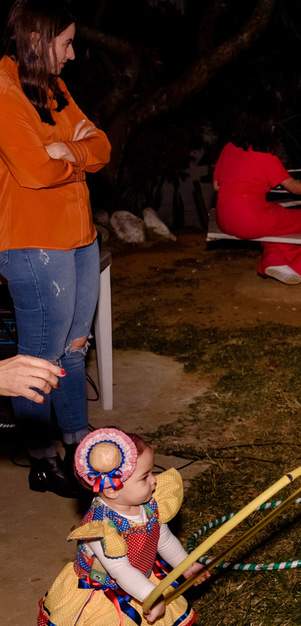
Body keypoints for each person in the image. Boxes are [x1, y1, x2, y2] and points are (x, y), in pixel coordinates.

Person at [0, 0, 109, 499]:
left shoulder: (53, 88)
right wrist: (69, 158)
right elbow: (33, 172)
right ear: (38, 40)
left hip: (80, 237)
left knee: (73, 349)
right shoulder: (3, 90)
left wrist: (72, 152)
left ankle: (79, 446)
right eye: (65, 43)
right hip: (34, 244)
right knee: (37, 364)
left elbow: (101, 144)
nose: (71, 55)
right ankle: (42, 460)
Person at [33, 427, 209, 626]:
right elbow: (120, 569)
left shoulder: (149, 505)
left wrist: (186, 565)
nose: (154, 480)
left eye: (151, 472)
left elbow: (162, 540)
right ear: (112, 489)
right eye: (145, 477)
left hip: (139, 581)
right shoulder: (101, 528)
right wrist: (151, 596)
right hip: (103, 592)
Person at [213, 113, 301, 285]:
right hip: (248, 220)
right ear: (262, 129)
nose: (273, 128)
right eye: (271, 125)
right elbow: (295, 187)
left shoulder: (228, 148)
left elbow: (217, 186)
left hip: (224, 219)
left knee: (279, 216)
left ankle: (275, 259)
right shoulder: (265, 154)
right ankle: (276, 261)